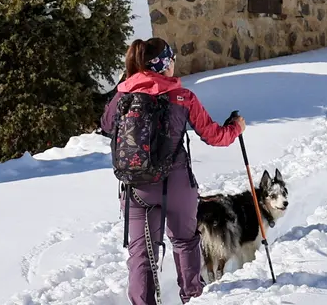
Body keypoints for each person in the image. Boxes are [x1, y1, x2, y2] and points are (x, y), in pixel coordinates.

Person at [102, 37, 244, 305]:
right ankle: (192, 297)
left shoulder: (122, 95)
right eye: (173, 60)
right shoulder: (182, 97)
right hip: (176, 184)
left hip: (135, 188)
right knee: (185, 241)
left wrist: (129, 86)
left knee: (142, 254)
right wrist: (236, 127)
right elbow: (214, 136)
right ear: (165, 64)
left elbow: (107, 125)